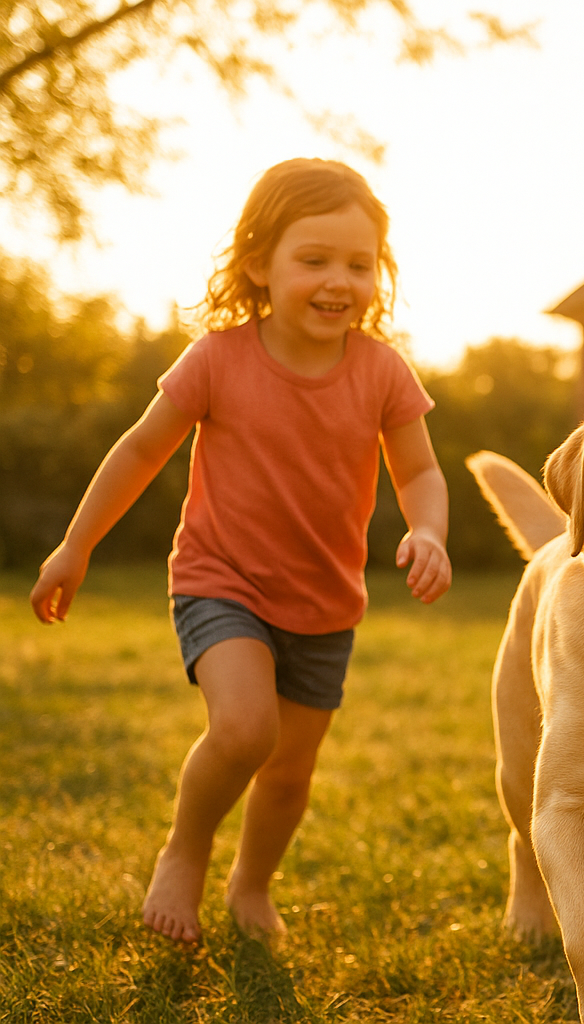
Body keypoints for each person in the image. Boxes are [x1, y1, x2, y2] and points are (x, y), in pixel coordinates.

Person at [29, 158, 453, 945]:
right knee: (244, 730)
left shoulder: (383, 373)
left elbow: (421, 470)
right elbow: (139, 451)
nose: (339, 281)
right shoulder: (218, 359)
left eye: (359, 264)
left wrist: (426, 530)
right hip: (219, 579)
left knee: (289, 774)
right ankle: (184, 854)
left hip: (325, 603)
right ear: (260, 263)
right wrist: (75, 545)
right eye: (314, 259)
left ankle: (250, 885)